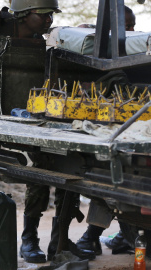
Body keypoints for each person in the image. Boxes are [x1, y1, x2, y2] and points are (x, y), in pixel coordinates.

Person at [0, 0, 96, 265]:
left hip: (25, 114)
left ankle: (48, 242)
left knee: (52, 169)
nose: (49, 20)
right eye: (44, 15)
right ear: (24, 14)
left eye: (51, 15)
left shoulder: (46, 39)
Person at [75, 5, 137, 256]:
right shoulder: (95, 54)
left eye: (132, 27)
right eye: (125, 28)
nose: (130, 32)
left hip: (132, 132)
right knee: (107, 180)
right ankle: (94, 235)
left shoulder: (137, 52)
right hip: (106, 134)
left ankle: (120, 234)